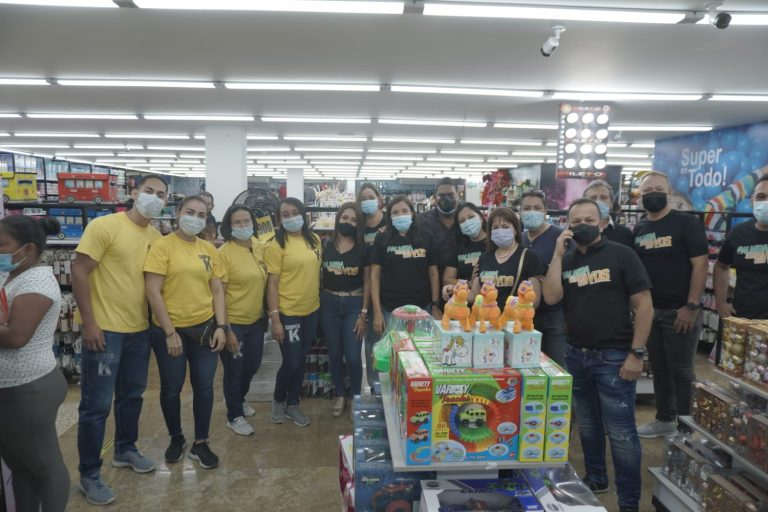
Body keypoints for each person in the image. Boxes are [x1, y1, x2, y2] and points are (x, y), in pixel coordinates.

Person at [542, 198, 653, 512]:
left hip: (614, 357)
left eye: (589, 220)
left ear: (603, 223)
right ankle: (596, 479)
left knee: (621, 434)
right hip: (576, 354)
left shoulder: (622, 254)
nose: (582, 226)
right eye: (575, 221)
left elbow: (644, 305)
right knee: (588, 426)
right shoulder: (567, 259)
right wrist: (557, 254)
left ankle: (628, 502)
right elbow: (550, 297)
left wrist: (637, 353)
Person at [72, 175, 167, 505]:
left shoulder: (156, 237)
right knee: (96, 406)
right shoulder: (105, 226)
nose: (154, 198)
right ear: (134, 192)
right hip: (105, 330)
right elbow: (79, 270)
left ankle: (125, 449)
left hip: (139, 330)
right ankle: (89, 473)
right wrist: (89, 322)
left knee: (132, 396)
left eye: (161, 195)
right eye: (149, 191)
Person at [144, 196, 228, 470]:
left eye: (201, 215)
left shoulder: (209, 249)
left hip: (204, 328)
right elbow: (153, 291)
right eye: (190, 212)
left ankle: (201, 442)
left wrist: (221, 326)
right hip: (170, 330)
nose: (195, 218)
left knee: (204, 386)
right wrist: (170, 332)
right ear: (178, 212)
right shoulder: (162, 246)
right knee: (172, 388)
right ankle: (176, 437)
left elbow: (217, 290)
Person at [0, 216, 69, 512]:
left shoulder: (37, 282)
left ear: (27, 249)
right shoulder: (11, 274)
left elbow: (16, 336)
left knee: (45, 467)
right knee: (21, 465)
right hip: (11, 388)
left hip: (28, 388)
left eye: (1, 244)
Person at [633, 171, 708, 439]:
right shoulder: (640, 228)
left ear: (669, 193)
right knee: (660, 369)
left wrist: (691, 306)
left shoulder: (686, 223)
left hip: (680, 311)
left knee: (682, 371)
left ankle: (687, 429)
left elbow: (701, 265)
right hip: (651, 312)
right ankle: (665, 419)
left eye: (658, 189)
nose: (652, 194)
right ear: (640, 197)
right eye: (647, 191)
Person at [265, 197, 322, 427]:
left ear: (304, 214)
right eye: (285, 215)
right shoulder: (275, 245)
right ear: (279, 219)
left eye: (295, 212)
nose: (291, 218)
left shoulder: (314, 240)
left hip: (312, 310)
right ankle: (279, 400)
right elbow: (272, 285)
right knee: (292, 361)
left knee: (301, 359)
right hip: (288, 312)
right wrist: (275, 319)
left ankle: (293, 403)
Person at [218, 205, 267, 436]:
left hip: (256, 320)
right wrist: (226, 328)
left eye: (246, 221)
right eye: (237, 222)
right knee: (234, 370)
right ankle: (234, 415)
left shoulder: (258, 246)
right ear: (229, 226)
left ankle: (238, 397)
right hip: (233, 322)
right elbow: (219, 294)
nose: (243, 225)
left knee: (252, 365)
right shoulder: (224, 253)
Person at [320, 202, 369, 417]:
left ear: (359, 224)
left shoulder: (363, 248)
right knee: (334, 353)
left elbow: (368, 282)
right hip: (328, 304)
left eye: (354, 220)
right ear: (338, 218)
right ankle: (340, 394)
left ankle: (356, 397)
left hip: (354, 304)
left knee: (353, 356)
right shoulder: (325, 245)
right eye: (345, 217)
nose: (348, 222)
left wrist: (363, 314)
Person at [371, 195, 440, 335]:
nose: (400, 215)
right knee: (393, 348)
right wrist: (377, 311)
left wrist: (435, 305)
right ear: (390, 217)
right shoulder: (382, 238)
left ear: (412, 213)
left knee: (421, 347)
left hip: (422, 308)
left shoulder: (426, 236)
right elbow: (374, 276)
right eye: (395, 212)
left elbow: (433, 273)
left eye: (404, 211)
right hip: (390, 309)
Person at [519, 191, 567, 366]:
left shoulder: (560, 237)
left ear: (545, 211)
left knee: (557, 365)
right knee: (528, 362)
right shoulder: (520, 239)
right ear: (520, 211)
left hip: (554, 314)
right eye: (527, 208)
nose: (532, 211)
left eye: (537, 208)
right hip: (526, 314)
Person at [715, 174, 768, 319]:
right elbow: (720, 266)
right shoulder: (738, 233)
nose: (766, 202)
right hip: (741, 319)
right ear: (752, 201)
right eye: (761, 197)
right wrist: (720, 303)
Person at [471, 207, 543, 309]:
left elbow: (534, 300)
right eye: (495, 227)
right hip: (487, 317)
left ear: (515, 230)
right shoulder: (484, 258)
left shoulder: (529, 257)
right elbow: (474, 296)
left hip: (514, 317)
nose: (500, 231)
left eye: (505, 227)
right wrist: (455, 290)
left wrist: (515, 309)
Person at [357, 182, 387, 390]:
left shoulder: (390, 222)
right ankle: (375, 385)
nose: (368, 201)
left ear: (379, 199)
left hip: (391, 286)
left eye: (371, 197)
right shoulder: (359, 226)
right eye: (363, 199)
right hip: (365, 288)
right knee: (372, 343)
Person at [417, 178, 462, 303]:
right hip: (427, 288)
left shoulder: (465, 219)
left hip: (460, 288)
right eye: (441, 195)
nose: (446, 199)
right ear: (435, 198)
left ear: (458, 196)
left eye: (451, 195)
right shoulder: (421, 221)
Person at [442, 202, 488, 292]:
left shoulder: (494, 243)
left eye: (471, 217)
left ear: (481, 218)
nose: (467, 222)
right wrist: (469, 284)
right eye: (462, 221)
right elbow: (447, 279)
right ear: (459, 227)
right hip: (464, 298)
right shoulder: (458, 247)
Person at [583, 180, 634, 248]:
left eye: (604, 197)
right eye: (593, 198)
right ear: (584, 203)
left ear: (611, 204)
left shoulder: (625, 232)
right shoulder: (577, 231)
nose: (598, 201)